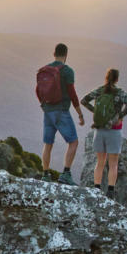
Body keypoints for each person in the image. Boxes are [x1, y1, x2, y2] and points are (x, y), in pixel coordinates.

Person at [34, 43, 85, 184]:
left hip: (47, 111)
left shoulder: (44, 70)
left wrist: (43, 105)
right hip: (61, 110)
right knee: (73, 142)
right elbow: (72, 94)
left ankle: (45, 175)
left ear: (53, 53)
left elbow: (37, 90)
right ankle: (66, 174)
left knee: (48, 143)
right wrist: (80, 114)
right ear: (66, 55)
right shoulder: (67, 71)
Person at [81, 68, 127, 195]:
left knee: (100, 162)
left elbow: (84, 100)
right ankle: (110, 190)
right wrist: (120, 116)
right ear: (117, 79)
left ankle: (97, 189)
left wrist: (96, 111)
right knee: (113, 163)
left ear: (106, 77)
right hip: (114, 131)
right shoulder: (120, 93)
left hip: (99, 130)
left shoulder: (99, 90)